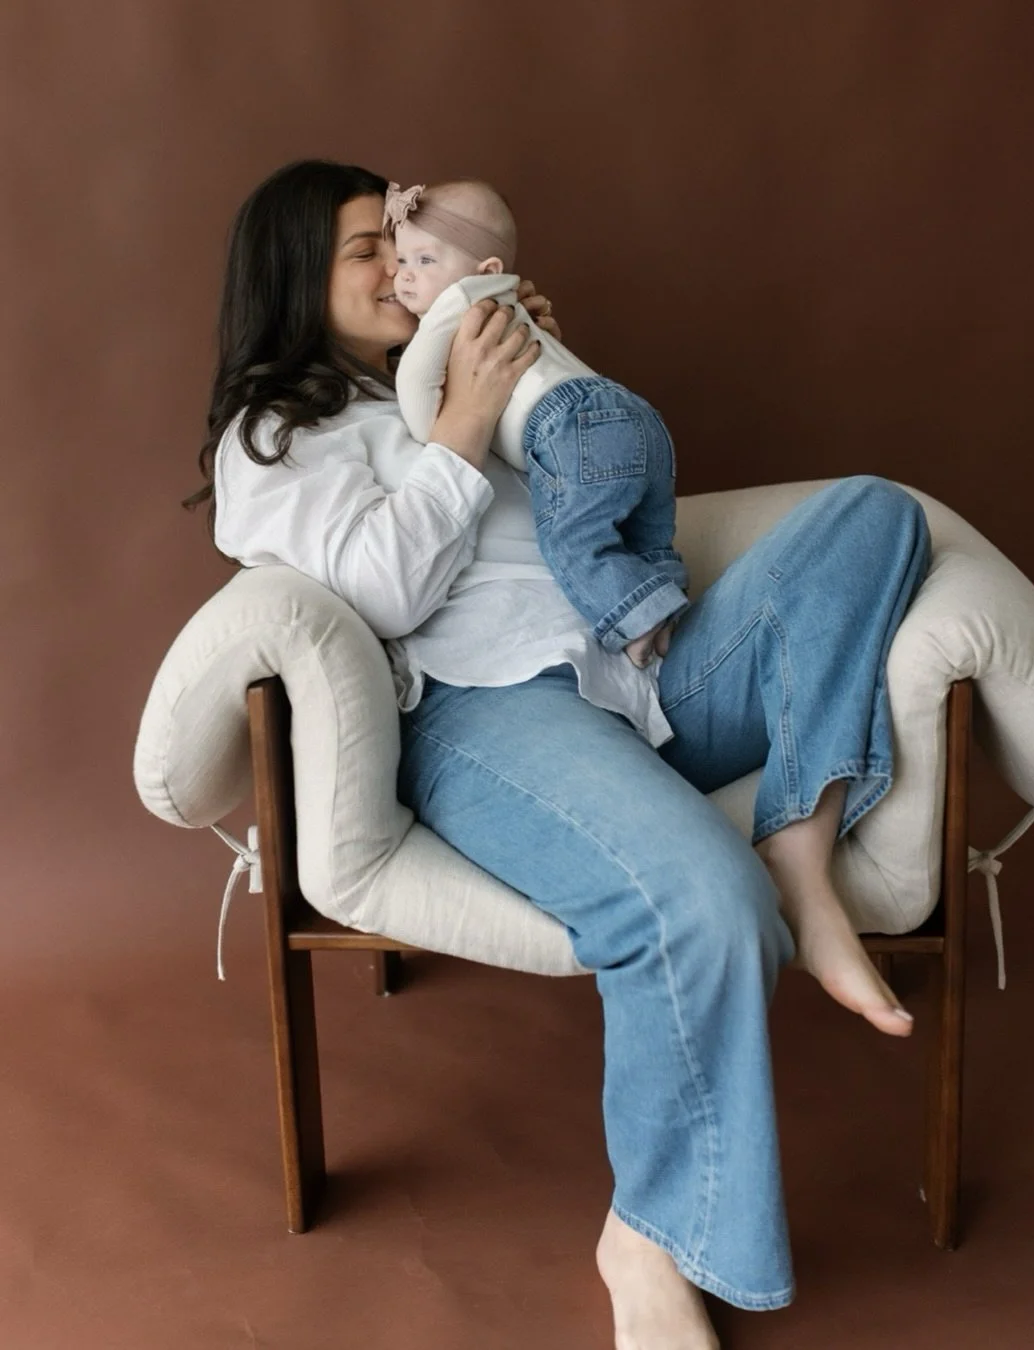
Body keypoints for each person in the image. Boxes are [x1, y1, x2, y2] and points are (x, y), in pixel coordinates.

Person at [188, 158, 931, 1350]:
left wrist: (553, 398)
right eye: (367, 249)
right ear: (293, 278)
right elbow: (377, 590)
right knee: (700, 900)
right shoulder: (275, 439)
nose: (399, 260)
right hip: (483, 717)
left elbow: (594, 523)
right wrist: (467, 424)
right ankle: (651, 1235)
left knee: (878, 514)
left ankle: (802, 836)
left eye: (401, 238)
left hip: (633, 679)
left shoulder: (439, 369)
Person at [386, 177, 687, 669]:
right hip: (631, 411)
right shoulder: (512, 303)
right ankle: (667, 606)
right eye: (401, 260)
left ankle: (639, 620)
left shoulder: (460, 301)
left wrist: (433, 426)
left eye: (424, 261)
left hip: (567, 423)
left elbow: (417, 381)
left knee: (573, 539)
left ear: (485, 270)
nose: (403, 277)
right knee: (643, 535)